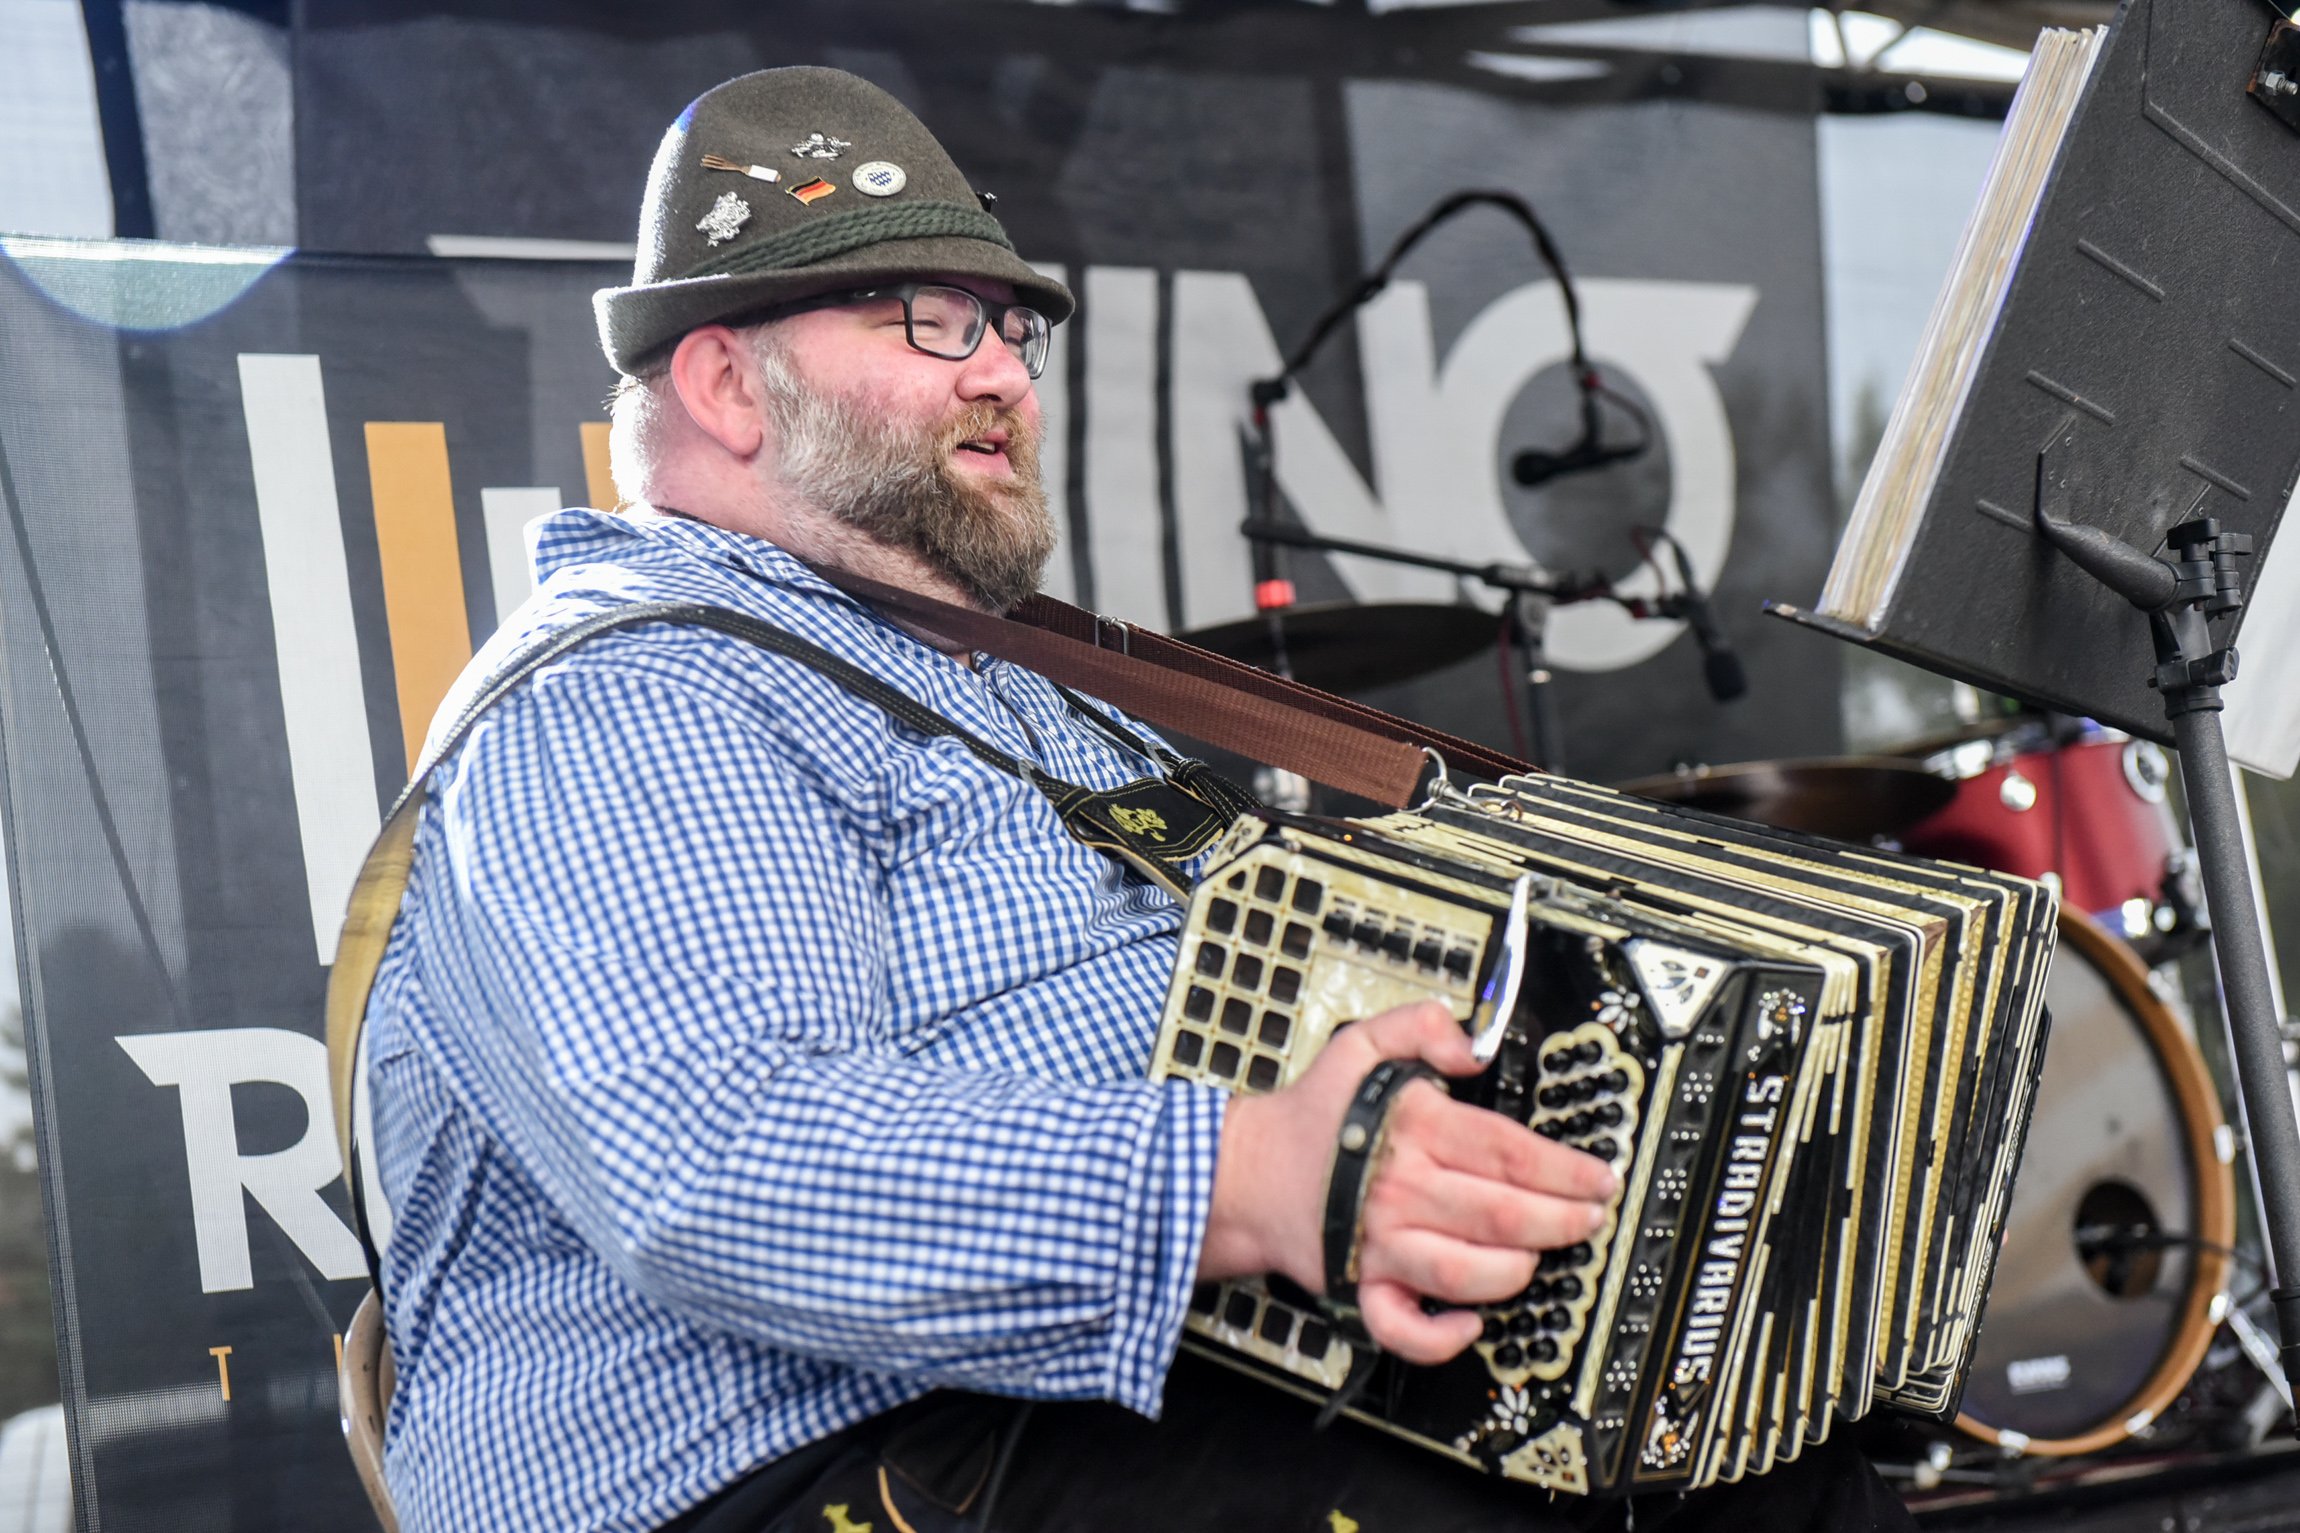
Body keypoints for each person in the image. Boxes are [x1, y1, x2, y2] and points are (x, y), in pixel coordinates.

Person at [363, 66, 1915, 1533]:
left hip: (1108, 1391)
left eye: (1007, 332)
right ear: (727, 382)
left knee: (1774, 1469)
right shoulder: (631, 689)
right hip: (767, 1465)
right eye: (930, 320)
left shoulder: (1020, 682)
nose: (999, 373)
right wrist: (1257, 1178)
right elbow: (720, 1163)